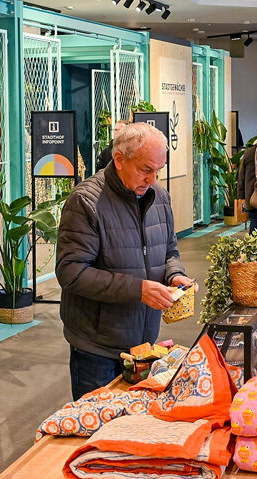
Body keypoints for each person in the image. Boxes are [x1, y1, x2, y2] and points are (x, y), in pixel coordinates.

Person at [56, 122, 192, 401]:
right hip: (97, 347)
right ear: (119, 159)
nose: (152, 179)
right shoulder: (86, 201)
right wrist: (138, 289)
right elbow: (72, 273)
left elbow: (169, 251)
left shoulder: (160, 199)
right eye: (145, 169)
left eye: (158, 170)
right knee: (97, 433)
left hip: (143, 344)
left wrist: (174, 275)